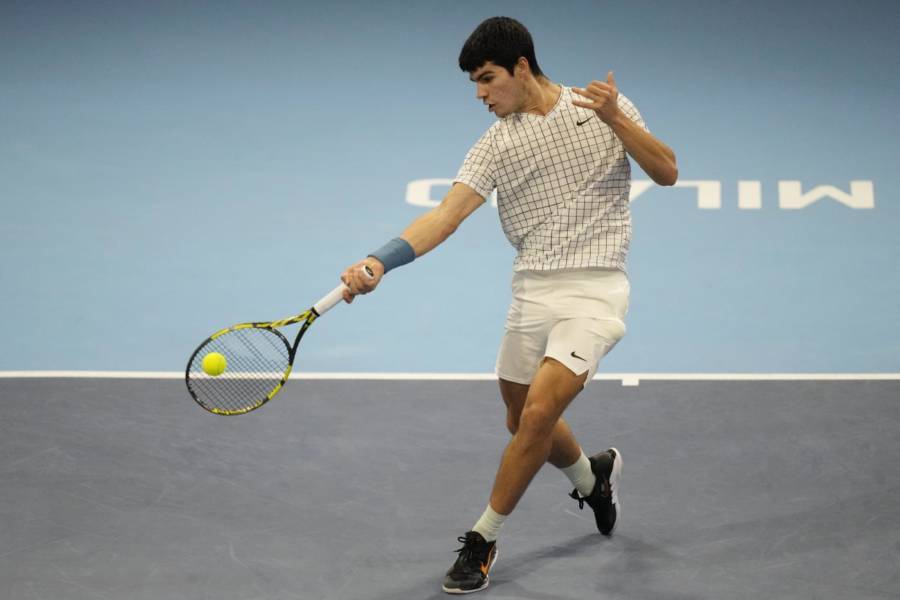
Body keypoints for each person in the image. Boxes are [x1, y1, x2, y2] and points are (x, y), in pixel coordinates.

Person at [340, 16, 677, 595]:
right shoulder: (495, 144)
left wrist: (616, 119)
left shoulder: (602, 109)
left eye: (487, 79)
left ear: (522, 67)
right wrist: (379, 262)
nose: (480, 94)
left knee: (540, 415)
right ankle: (592, 478)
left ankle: (482, 539)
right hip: (532, 292)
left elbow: (667, 172)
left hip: (596, 290)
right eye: (474, 82)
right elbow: (445, 216)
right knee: (521, 420)